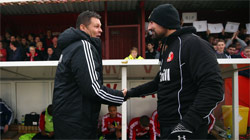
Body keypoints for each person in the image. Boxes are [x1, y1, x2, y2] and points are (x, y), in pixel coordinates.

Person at [125, 4, 224, 139]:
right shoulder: (169, 47)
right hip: (169, 128)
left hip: (187, 130)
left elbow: (214, 89)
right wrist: (128, 93)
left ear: (165, 22)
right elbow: (158, 83)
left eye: (152, 22)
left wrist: (186, 126)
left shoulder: (193, 44)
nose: (149, 27)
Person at [53, 10, 126, 139]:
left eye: (101, 26)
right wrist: (120, 96)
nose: (101, 30)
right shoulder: (83, 46)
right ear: (83, 28)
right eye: (96, 26)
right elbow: (93, 89)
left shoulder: (70, 47)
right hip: (77, 124)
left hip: (67, 122)